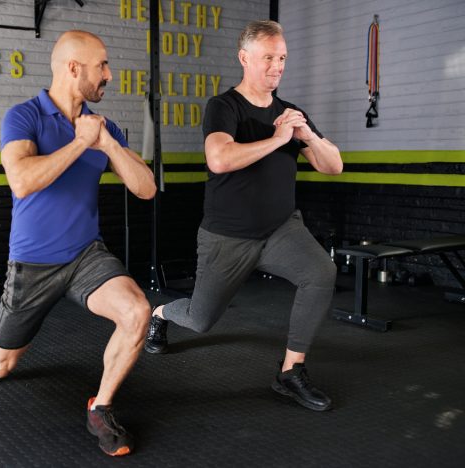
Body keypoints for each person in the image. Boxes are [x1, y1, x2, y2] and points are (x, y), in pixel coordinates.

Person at [0, 30, 156, 456]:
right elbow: (22, 181)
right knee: (3, 365)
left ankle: (101, 407)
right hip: (33, 262)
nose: (109, 75)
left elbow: (147, 188)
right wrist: (81, 142)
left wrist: (108, 143)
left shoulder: (105, 128)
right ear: (73, 68)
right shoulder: (24, 117)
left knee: (137, 312)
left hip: (86, 256)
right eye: (102, 65)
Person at [145, 20, 343, 412]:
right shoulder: (224, 106)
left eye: (282, 57)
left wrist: (308, 137)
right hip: (228, 237)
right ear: (244, 58)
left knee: (321, 272)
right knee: (201, 319)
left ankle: (290, 372)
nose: (277, 65)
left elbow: (333, 165)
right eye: (268, 57)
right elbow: (219, 159)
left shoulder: (291, 114)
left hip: (281, 230)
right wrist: (277, 139)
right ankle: (160, 312)